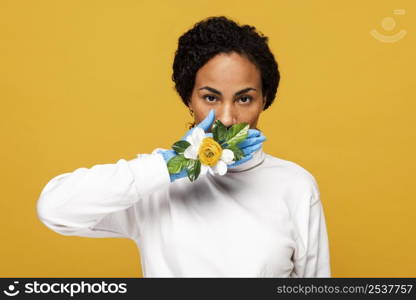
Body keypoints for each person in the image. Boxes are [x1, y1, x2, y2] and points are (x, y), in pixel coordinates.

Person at [36, 16, 331, 277]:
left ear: (264, 100)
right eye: (210, 98)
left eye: (244, 99)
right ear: (188, 99)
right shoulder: (159, 186)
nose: (227, 118)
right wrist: (171, 165)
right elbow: (55, 209)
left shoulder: (295, 186)